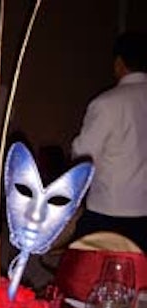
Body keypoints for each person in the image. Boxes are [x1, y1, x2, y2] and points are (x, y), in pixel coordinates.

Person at [71, 30, 147, 252]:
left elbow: (83, 155)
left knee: (91, 276)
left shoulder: (106, 103)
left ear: (119, 63)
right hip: (144, 210)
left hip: (109, 210)